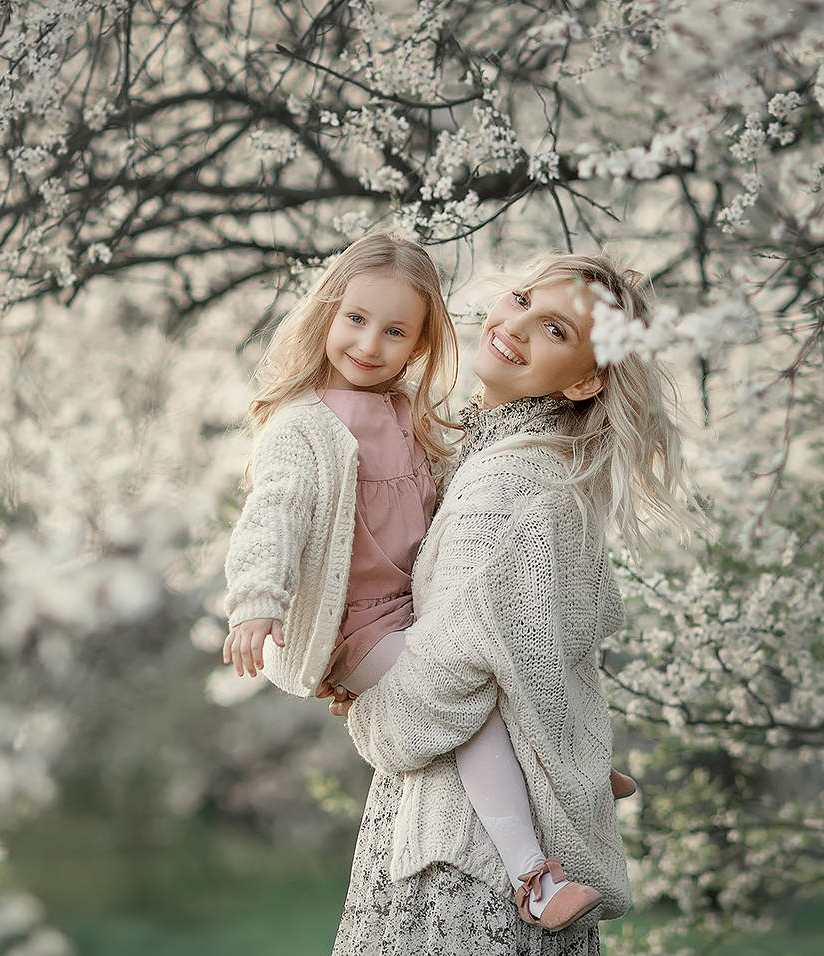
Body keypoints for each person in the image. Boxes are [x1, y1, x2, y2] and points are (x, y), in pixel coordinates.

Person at [222, 233, 606, 930]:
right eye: (356, 320)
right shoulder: (305, 426)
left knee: (492, 663)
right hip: (362, 625)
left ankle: (568, 766)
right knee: (470, 709)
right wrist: (256, 600)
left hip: (410, 609)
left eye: (395, 332)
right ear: (328, 315)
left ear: (421, 343)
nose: (370, 345)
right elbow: (273, 512)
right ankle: (534, 877)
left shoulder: (407, 417)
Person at [329, 253, 695, 955]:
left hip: (465, 868)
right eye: (523, 299)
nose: (517, 325)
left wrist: (364, 695)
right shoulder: (513, 460)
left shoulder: (511, 482)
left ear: (585, 380)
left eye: (555, 330)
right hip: (468, 838)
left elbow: (453, 671)